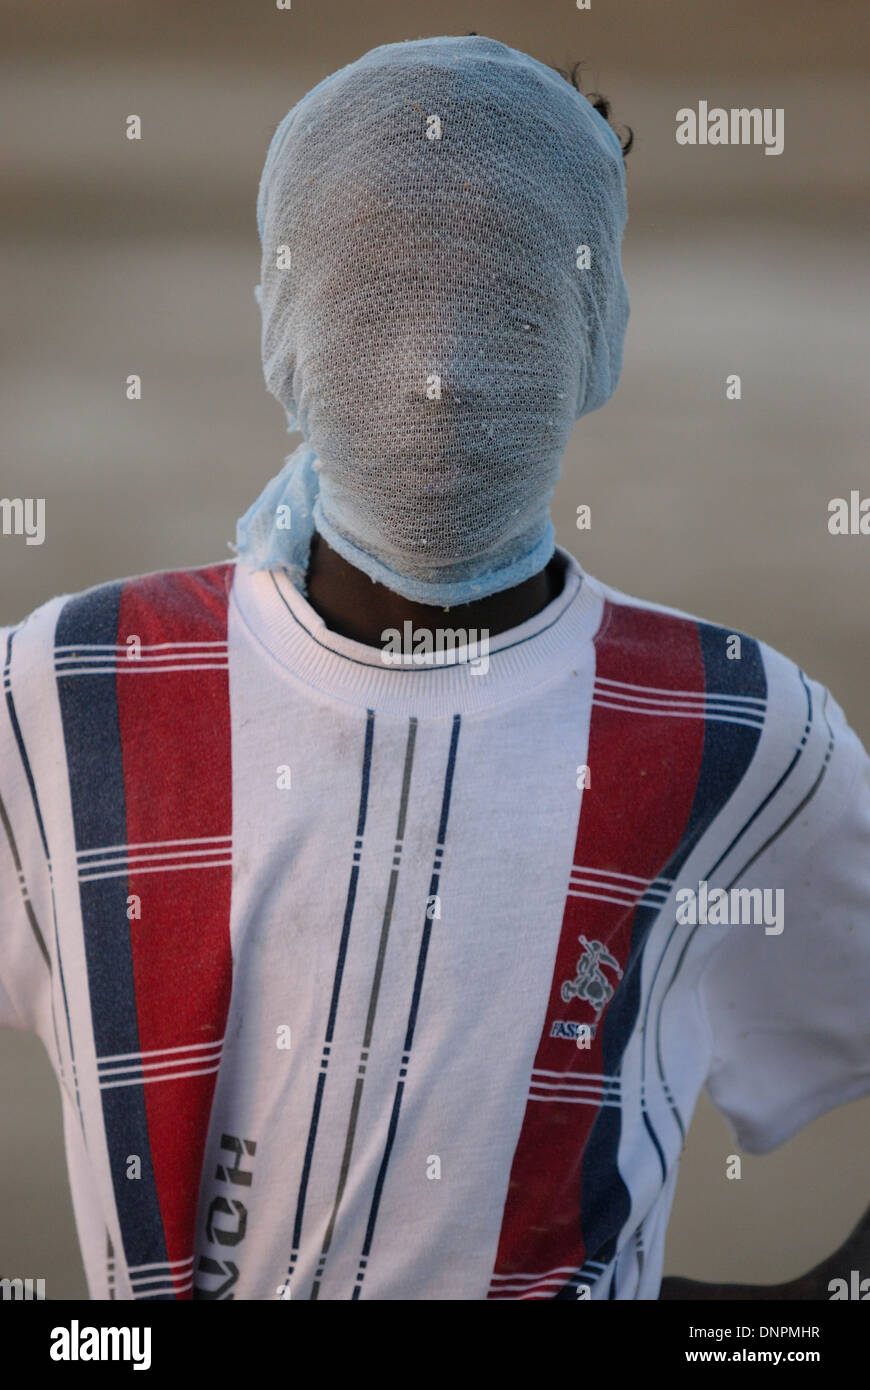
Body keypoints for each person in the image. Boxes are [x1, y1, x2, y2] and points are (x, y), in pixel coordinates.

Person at [1, 34, 868, 1302]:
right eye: (394, 292)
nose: (440, 367)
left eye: (490, 297)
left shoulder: (736, 739)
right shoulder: (59, 698)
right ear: (601, 330)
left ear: (281, 325)